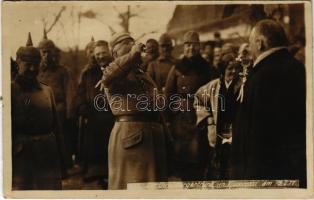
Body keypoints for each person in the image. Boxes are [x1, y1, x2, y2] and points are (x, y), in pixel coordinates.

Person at [232, 19, 306, 187]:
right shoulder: (298, 68)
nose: (250, 49)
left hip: (264, 171)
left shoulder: (261, 77)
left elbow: (252, 133)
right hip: (295, 168)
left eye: (250, 44)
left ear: (260, 43)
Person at [96, 32, 168, 189]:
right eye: (126, 43)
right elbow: (108, 77)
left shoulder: (141, 74)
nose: (133, 45)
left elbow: (158, 106)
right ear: (115, 52)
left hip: (151, 139)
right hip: (131, 138)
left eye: (133, 42)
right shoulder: (112, 71)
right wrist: (134, 53)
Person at [11, 33, 67, 189]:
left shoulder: (46, 91)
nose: (32, 68)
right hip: (21, 157)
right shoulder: (9, 91)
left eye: (36, 63)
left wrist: (63, 163)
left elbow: (57, 129)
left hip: (48, 155)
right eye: (27, 64)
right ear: (18, 62)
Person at [165, 31, 212, 181]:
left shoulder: (207, 67)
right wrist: (169, 116)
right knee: (182, 160)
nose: (190, 48)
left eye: (194, 45)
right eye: (187, 45)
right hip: (181, 118)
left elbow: (215, 91)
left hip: (200, 115)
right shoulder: (177, 67)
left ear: (199, 47)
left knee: (198, 159)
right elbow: (169, 93)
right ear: (183, 47)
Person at [74, 40, 114, 188]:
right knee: (96, 154)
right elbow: (80, 93)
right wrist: (82, 106)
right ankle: (99, 178)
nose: (101, 56)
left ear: (109, 52)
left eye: (103, 53)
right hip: (94, 120)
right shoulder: (88, 74)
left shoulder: (117, 69)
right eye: (97, 54)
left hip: (113, 119)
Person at [194, 53, 241, 180]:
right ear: (223, 69)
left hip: (237, 132)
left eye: (236, 68)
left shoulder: (243, 86)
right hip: (217, 132)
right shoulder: (214, 86)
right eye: (230, 68)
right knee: (216, 169)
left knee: (233, 169)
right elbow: (197, 99)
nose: (234, 71)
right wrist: (208, 119)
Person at [37, 29, 73, 169]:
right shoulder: (36, 71)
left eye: (49, 51)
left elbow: (69, 91)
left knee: (61, 138)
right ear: (39, 53)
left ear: (53, 53)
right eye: (43, 52)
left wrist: (70, 113)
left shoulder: (62, 71)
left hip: (59, 109)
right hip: (40, 110)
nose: (46, 55)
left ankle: (63, 166)